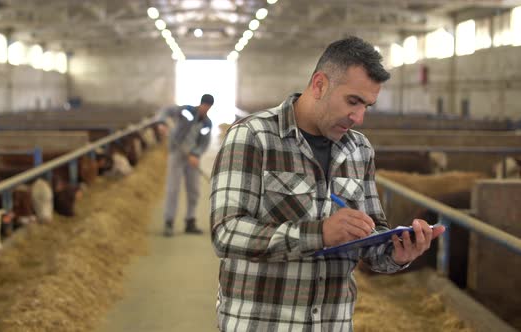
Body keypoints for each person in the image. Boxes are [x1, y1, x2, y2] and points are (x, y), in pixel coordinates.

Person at [210, 36, 445, 331]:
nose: (358, 117)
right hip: (263, 323)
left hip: (332, 323)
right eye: (353, 101)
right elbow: (226, 233)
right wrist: (318, 233)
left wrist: (396, 253)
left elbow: (372, 235)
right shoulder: (253, 137)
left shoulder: (359, 150)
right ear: (320, 84)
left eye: (367, 106)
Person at [158, 94, 214, 237]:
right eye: (204, 105)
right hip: (177, 152)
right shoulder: (187, 110)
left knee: (194, 190)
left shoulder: (207, 124)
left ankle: (190, 221)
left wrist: (196, 154)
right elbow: (166, 110)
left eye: (208, 107)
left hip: (192, 158)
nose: (205, 108)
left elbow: (204, 143)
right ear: (201, 104)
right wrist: (162, 122)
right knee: (173, 188)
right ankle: (168, 222)